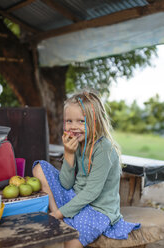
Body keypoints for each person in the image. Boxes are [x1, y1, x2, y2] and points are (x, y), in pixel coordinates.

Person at [32, 89, 140, 248]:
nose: (73, 127)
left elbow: (91, 192)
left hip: (98, 209)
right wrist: (69, 154)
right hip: (75, 197)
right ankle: (60, 217)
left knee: (73, 236)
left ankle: (58, 215)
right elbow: (66, 184)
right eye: (68, 121)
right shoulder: (78, 144)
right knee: (40, 167)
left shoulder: (104, 149)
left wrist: (59, 213)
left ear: (96, 122)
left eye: (81, 121)